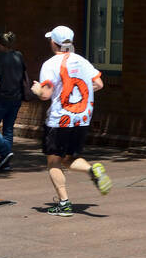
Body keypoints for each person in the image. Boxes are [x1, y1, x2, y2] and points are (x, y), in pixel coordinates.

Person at [32, 26, 110, 216]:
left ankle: (64, 204)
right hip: (82, 119)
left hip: (59, 120)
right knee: (68, 158)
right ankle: (92, 170)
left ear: (53, 42)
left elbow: (46, 94)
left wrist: (37, 90)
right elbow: (99, 84)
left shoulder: (50, 64)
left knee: (53, 163)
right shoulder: (82, 61)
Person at [0, 31, 26, 171]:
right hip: (16, 97)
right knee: (8, 129)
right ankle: (5, 162)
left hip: (2, 97)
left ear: (2, 45)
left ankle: (5, 152)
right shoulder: (19, 56)